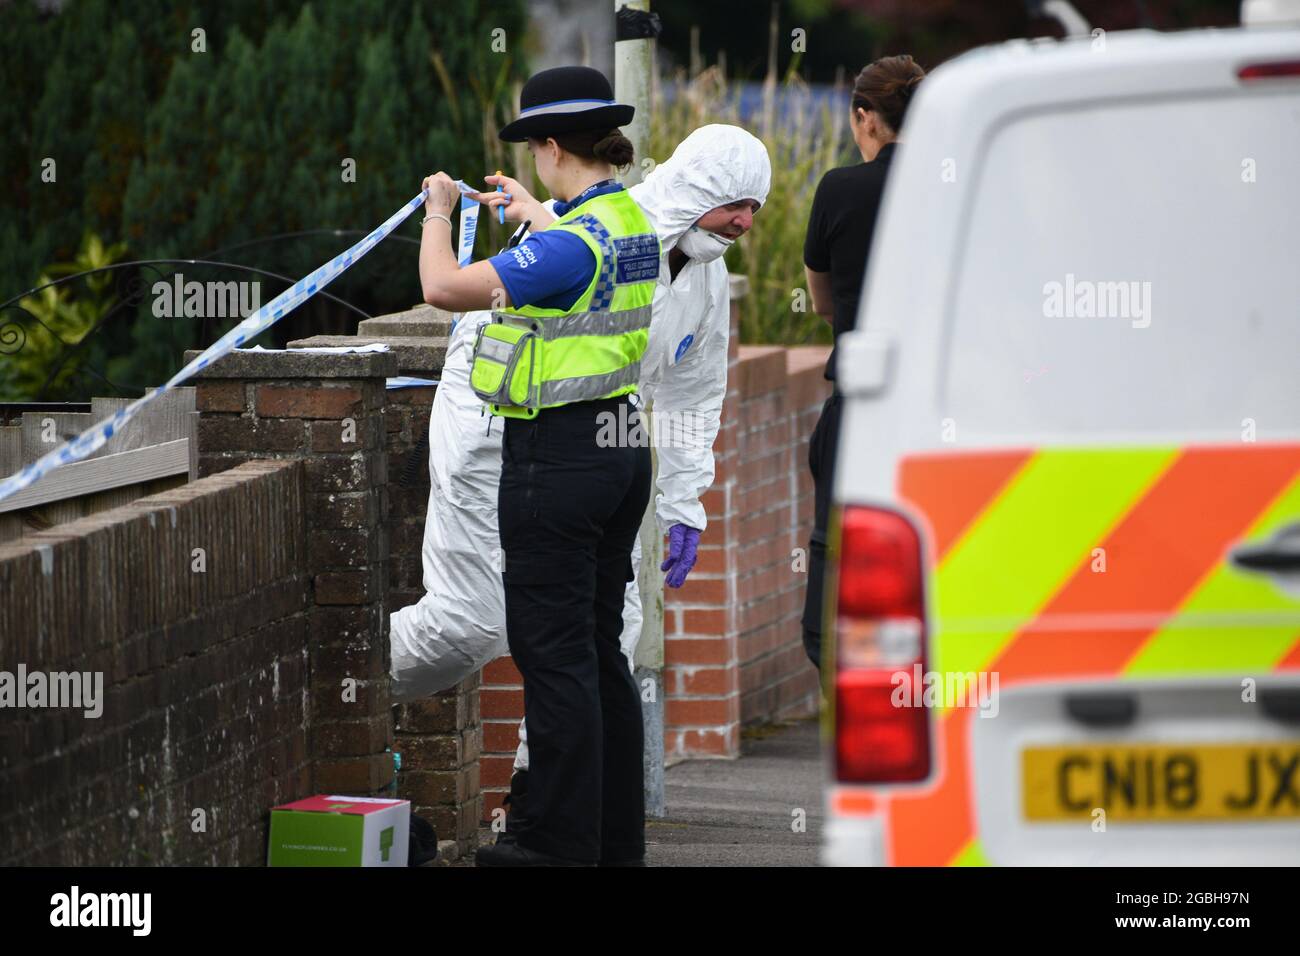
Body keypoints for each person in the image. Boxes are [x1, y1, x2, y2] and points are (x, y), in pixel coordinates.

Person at [389, 123, 771, 847]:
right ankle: (334, 681)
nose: (747, 222)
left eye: (755, 208)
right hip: (497, 430)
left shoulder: (701, 275)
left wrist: (686, 499)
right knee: (474, 622)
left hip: (587, 457)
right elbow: (497, 283)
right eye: (736, 205)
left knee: (603, 643)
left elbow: (694, 386)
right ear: (699, 192)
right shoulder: (611, 234)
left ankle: (558, 819)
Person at [417, 64, 660, 867]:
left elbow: (443, 286)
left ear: (552, 146)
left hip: (556, 461)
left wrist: (440, 212)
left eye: (537, 150)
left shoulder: (565, 249)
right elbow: (575, 246)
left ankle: (555, 845)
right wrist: (534, 210)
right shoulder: (628, 220)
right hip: (621, 445)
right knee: (596, 652)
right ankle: (614, 840)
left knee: (552, 657)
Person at [801, 55, 925, 671]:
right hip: (937, 404)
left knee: (838, 547)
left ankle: (848, 680)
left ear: (864, 117)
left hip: (860, 401)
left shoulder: (839, 190)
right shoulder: (953, 187)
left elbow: (822, 300)